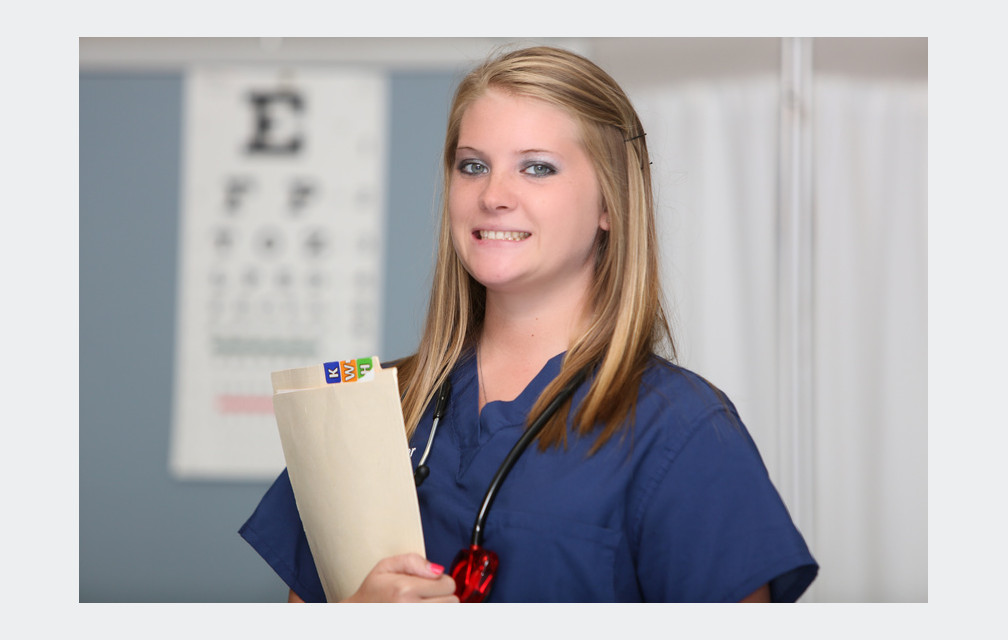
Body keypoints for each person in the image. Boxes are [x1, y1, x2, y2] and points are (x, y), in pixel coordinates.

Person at [240, 45, 818, 603]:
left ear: (609, 205)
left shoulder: (684, 433)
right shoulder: (371, 408)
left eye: (537, 168)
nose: (493, 195)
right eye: (473, 166)